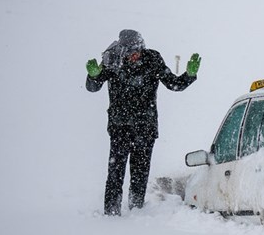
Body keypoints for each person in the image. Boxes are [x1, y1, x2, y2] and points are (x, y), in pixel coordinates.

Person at [86, 29, 201, 216]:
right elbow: (93, 87)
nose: (135, 55)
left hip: (145, 127)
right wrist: (92, 75)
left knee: (140, 173)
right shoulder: (112, 60)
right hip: (119, 126)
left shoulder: (152, 59)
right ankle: (111, 212)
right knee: (115, 173)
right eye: (131, 52)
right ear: (122, 50)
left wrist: (189, 75)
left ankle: (136, 209)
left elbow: (174, 84)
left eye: (138, 51)